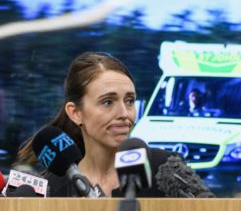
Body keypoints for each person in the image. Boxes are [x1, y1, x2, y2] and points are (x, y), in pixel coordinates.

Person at [15, 52, 210, 197]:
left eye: (129, 101)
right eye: (108, 102)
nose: (124, 114)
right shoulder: (51, 187)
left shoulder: (166, 168)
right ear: (76, 113)